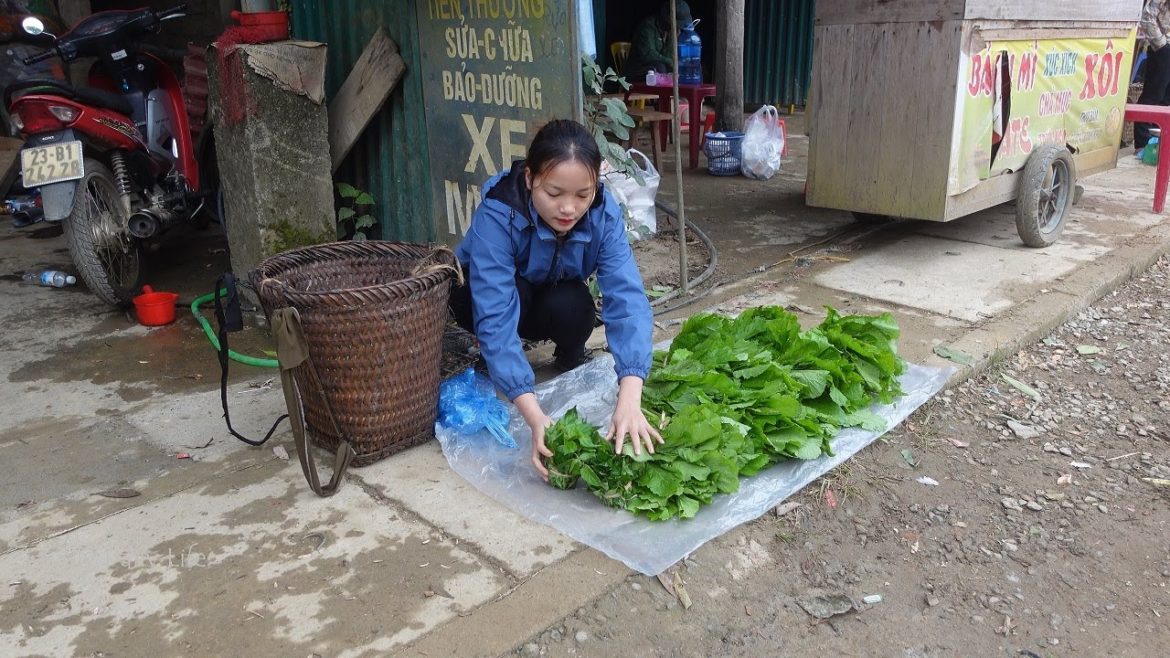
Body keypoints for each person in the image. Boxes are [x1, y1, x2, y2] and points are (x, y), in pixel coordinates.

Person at [450, 119, 662, 480]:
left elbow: (626, 298)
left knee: (577, 306)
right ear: (531, 178)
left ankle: (569, 353)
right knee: (506, 301)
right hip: (486, 296)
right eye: (554, 193)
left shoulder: (604, 216)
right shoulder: (499, 212)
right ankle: (499, 366)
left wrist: (630, 396)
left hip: (548, 289)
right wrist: (534, 415)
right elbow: (495, 314)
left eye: (583, 195)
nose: (569, 208)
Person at [624, 0, 692, 82]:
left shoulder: (670, 32)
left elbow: (666, 56)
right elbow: (648, 55)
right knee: (660, 67)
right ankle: (662, 94)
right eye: (677, 24)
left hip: (657, 71)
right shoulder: (647, 26)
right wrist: (671, 62)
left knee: (685, 68)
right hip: (637, 72)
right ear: (667, 19)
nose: (679, 28)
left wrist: (671, 42)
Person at [1136, 0, 1170, 151]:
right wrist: (1162, 46)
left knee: (1167, 99)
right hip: (1162, 49)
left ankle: (1157, 145)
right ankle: (1142, 144)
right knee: (1153, 97)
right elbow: (1147, 16)